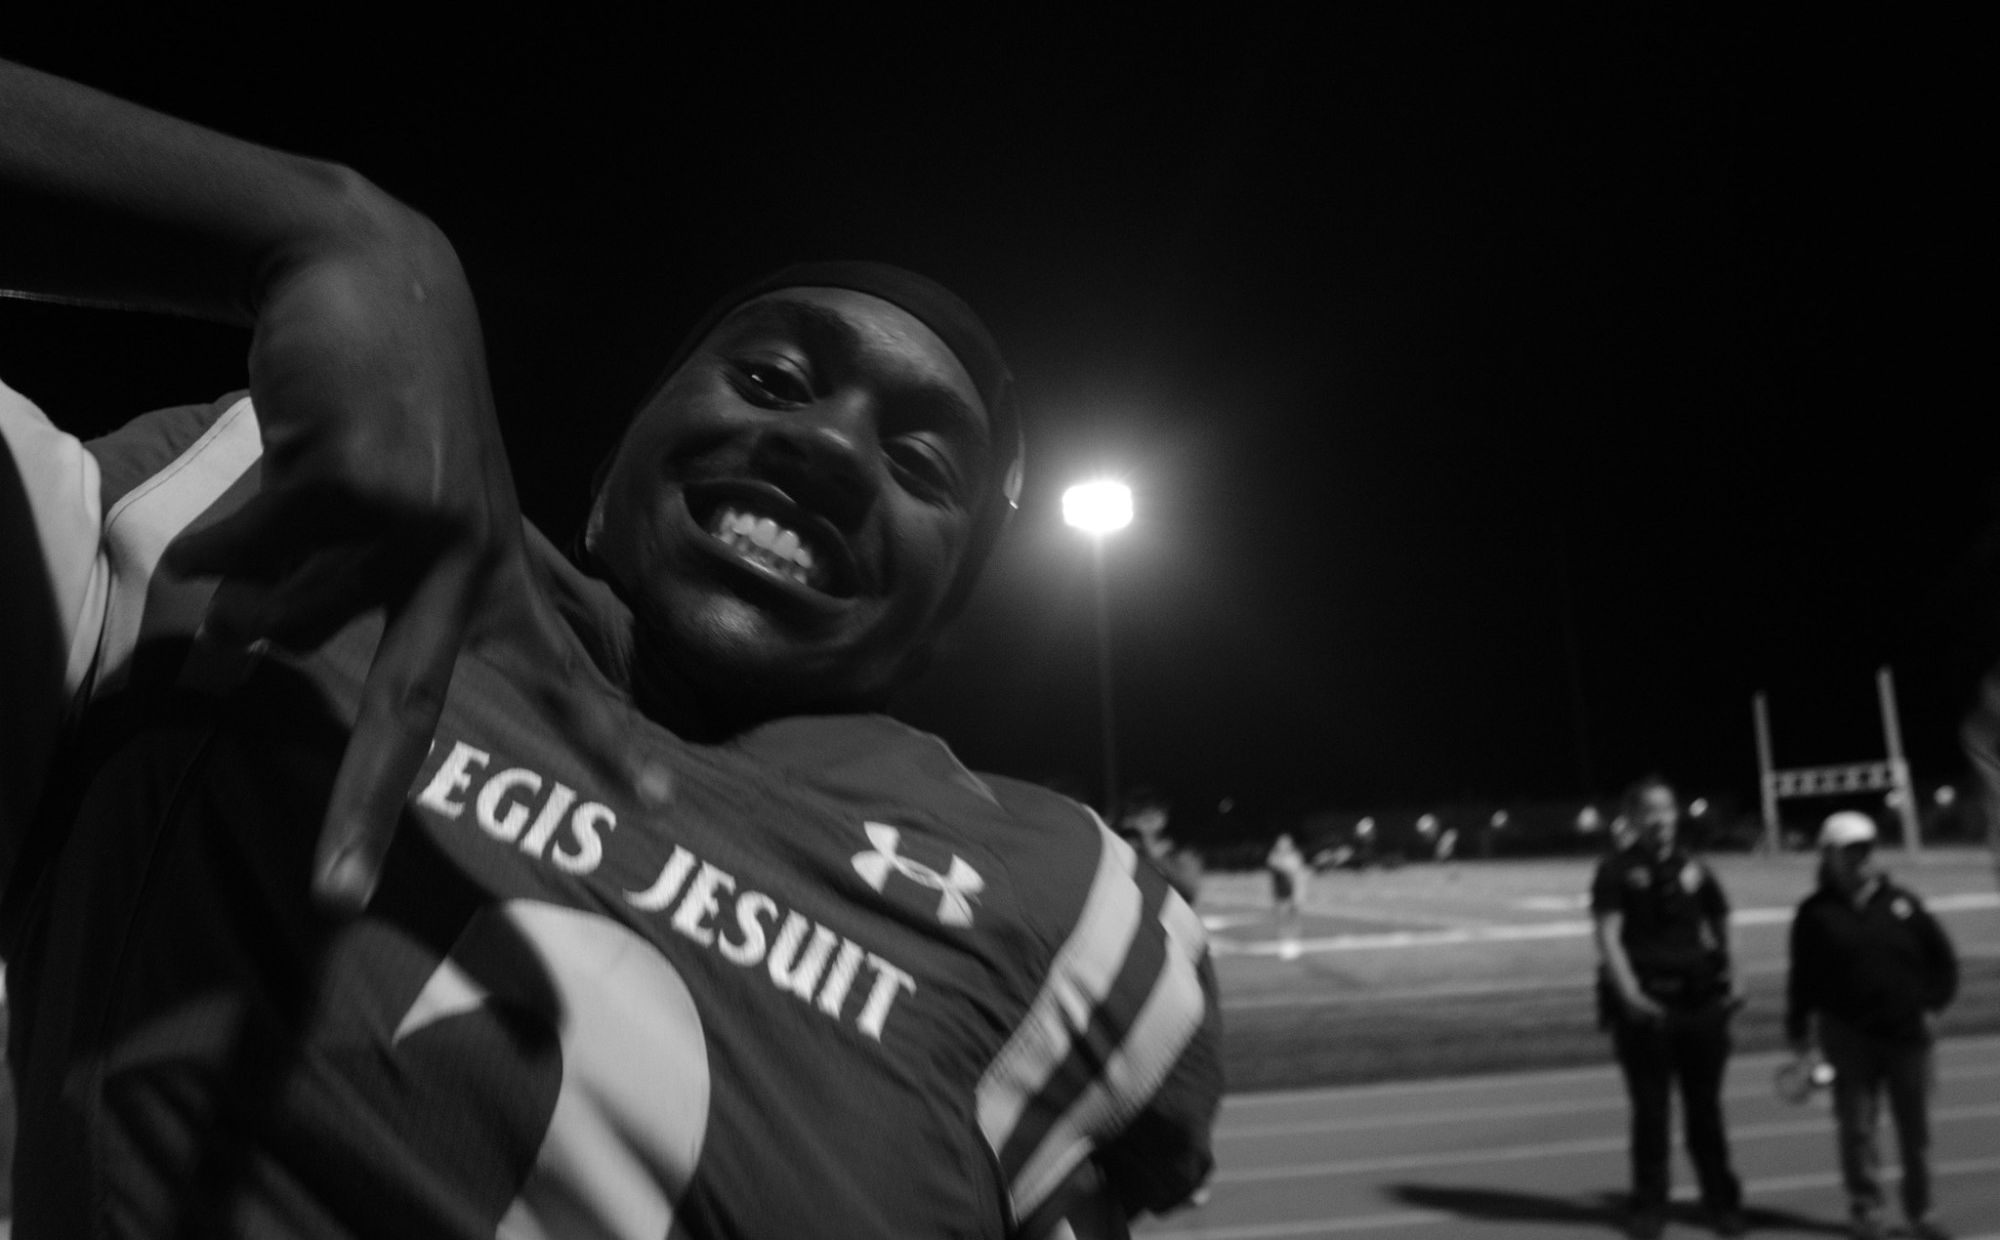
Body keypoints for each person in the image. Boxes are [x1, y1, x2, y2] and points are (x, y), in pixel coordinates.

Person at [0, 60, 1219, 1237]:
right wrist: (318, 228)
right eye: (773, 376)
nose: (834, 449)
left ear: (942, 620)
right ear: (605, 481)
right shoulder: (255, 517)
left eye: (918, 466)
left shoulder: (1053, 907)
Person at [1786, 812, 1959, 1240]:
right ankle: (1867, 1211)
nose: (1861, 859)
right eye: (1850, 851)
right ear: (1829, 856)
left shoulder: (1904, 903)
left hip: (1907, 1037)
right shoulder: (1814, 914)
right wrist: (1797, 1030)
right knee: (1857, 1131)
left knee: (1915, 1132)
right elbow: (1802, 978)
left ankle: (1921, 1214)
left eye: (1866, 849)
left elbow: (1944, 963)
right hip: (1848, 1037)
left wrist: (1932, 1008)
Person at [1590, 776, 1747, 1239]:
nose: (1661, 819)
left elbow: (1724, 917)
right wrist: (1629, 992)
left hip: (1700, 1003)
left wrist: (1735, 973)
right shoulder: (1615, 869)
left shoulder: (1693, 865)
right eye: (1650, 811)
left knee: (1706, 1113)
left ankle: (1721, 1203)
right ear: (1634, 819)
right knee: (1651, 1114)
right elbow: (1608, 936)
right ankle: (1649, 1206)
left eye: (1667, 809)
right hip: (1648, 1007)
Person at [1265, 832, 1306, 960]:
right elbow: (1275, 864)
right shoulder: (1274, 857)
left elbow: (1298, 876)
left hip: (1292, 892)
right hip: (1280, 893)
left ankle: (1295, 944)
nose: (1283, 846)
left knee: (1294, 920)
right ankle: (1283, 945)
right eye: (1281, 843)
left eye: (1285, 843)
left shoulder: (1294, 857)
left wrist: (1298, 895)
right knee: (1282, 920)